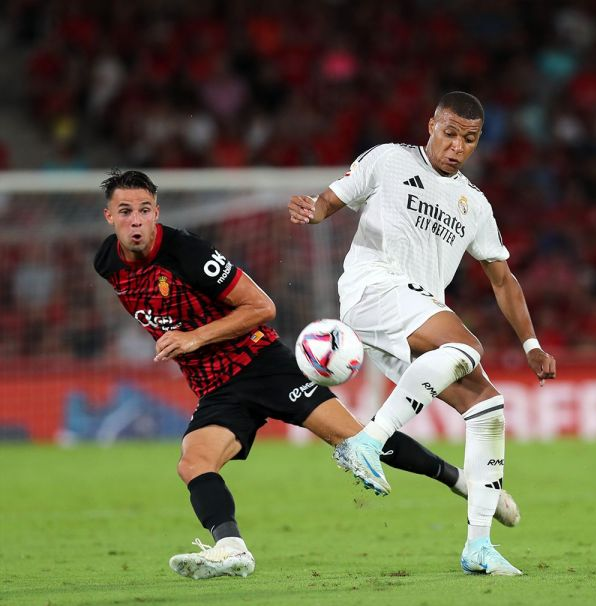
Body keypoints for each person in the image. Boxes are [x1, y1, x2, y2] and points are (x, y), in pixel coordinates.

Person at [93, 169, 520, 581]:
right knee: (194, 463)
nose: (136, 220)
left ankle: (462, 482)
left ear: (157, 211)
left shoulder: (187, 253)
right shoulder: (106, 262)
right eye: (126, 211)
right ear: (110, 217)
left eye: (145, 209)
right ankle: (232, 550)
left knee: (355, 440)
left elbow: (262, 308)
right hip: (215, 386)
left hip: (263, 365)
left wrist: (192, 338)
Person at [288, 91, 556, 575]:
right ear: (431, 125)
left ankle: (479, 546)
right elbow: (333, 197)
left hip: (418, 311)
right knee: (467, 347)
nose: (457, 145)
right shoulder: (390, 160)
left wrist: (532, 344)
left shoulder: (473, 203)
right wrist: (314, 212)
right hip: (373, 288)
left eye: (469, 139)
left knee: (487, 406)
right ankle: (368, 441)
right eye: (449, 132)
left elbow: (503, 279)